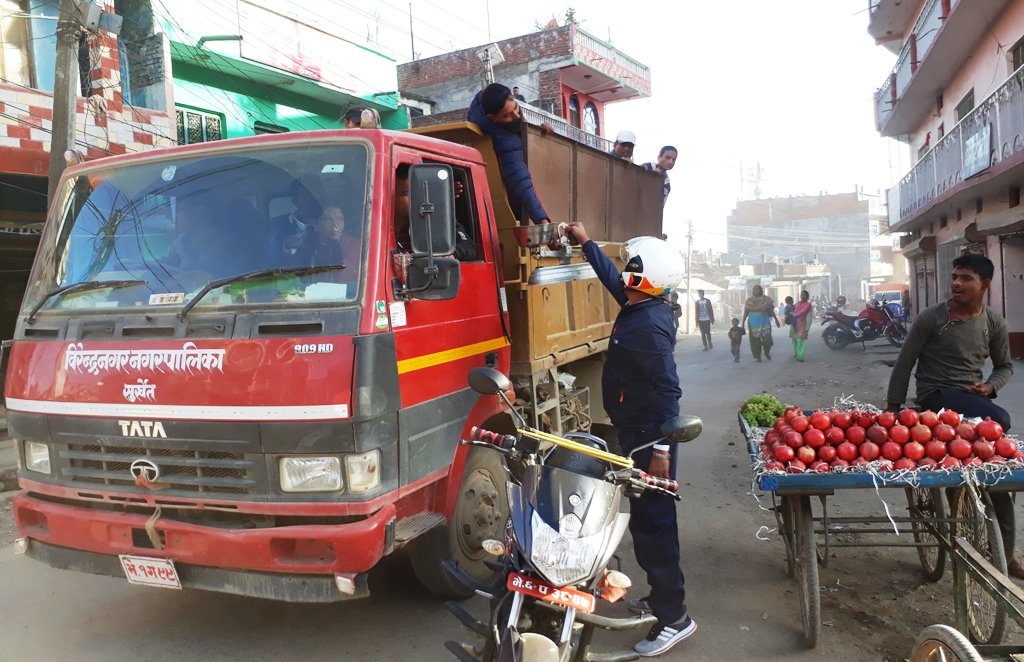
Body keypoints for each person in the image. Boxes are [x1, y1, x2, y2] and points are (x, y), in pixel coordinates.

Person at [564, 221, 695, 656]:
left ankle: (675, 618)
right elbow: (609, 277)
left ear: (642, 275)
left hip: (650, 437)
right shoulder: (642, 305)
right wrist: (586, 243)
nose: (621, 271)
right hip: (637, 432)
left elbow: (668, 392)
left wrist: (661, 450)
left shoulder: (648, 328)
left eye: (629, 267)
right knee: (645, 522)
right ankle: (661, 600)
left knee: (655, 525)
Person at [886, 254, 1018, 575]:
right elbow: (904, 364)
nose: (957, 283)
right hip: (936, 399)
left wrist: (990, 386)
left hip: (971, 402)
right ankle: (955, 493)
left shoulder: (993, 324)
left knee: (1000, 471)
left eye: (966, 278)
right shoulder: (932, 319)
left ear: (984, 284)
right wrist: (893, 409)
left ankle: (1007, 553)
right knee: (1000, 421)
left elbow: (1005, 367)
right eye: (954, 277)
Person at [467, 83, 551, 225]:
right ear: (492, 118)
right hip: (510, 208)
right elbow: (520, 180)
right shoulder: (502, 140)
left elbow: (520, 128)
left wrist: (534, 132)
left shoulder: (498, 110)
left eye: (516, 108)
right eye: (507, 115)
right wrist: (541, 219)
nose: (516, 116)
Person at [393, 165, 476, 261]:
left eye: (417, 192)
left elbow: (469, 247)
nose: (415, 198)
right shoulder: (375, 226)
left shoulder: (435, 218)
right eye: (406, 193)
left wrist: (449, 256)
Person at [270, 177, 324, 266]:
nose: (313, 199)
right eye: (307, 194)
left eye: (316, 194)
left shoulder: (330, 223)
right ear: (294, 199)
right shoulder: (278, 224)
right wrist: (286, 247)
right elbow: (271, 260)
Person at [742, 284, 781, 362]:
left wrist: (776, 320)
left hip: (764, 322)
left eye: (757, 289)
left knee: (767, 340)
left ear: (761, 290)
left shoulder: (766, 299)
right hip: (753, 324)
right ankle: (757, 356)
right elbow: (746, 312)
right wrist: (742, 323)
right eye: (754, 289)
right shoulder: (749, 301)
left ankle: (766, 352)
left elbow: (771, 310)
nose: (755, 291)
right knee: (754, 341)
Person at [791, 290, 813, 361]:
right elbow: (792, 310)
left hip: (802, 323)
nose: (802, 296)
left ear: (807, 296)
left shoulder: (808, 304)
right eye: (801, 295)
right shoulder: (797, 303)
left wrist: (794, 315)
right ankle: (797, 353)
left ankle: (800, 356)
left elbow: (803, 311)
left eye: (804, 295)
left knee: (800, 339)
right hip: (794, 323)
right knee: (794, 339)